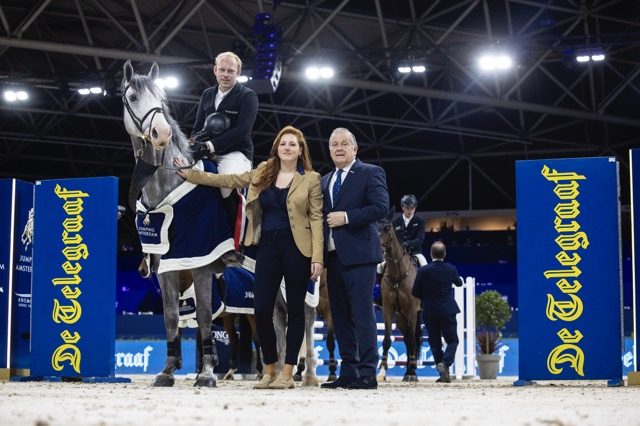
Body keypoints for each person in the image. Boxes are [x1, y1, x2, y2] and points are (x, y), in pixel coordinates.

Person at [174, 125, 323, 390]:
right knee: (262, 309)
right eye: (283, 143)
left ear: (301, 151)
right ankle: (268, 370)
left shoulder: (310, 178)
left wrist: (318, 258)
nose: (287, 147)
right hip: (267, 247)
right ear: (277, 147)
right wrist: (191, 175)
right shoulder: (264, 171)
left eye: (293, 144)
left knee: (296, 312)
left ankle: (287, 374)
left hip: (298, 249)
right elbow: (229, 181)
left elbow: (316, 219)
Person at [320, 127, 389, 390]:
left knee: (362, 316)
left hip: (360, 257)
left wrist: (347, 217)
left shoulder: (371, 172)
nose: (339, 148)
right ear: (329, 150)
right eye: (334, 144)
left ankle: (367, 373)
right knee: (340, 317)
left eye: (344, 144)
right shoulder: (325, 180)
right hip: (333, 258)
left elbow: (381, 208)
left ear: (354, 149)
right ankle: (348, 371)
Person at [190, 51, 259, 241]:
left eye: (230, 71)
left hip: (236, 153)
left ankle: (232, 238)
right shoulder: (207, 94)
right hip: (207, 152)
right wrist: (193, 144)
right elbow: (197, 127)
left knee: (225, 185)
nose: (226, 74)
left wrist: (210, 146)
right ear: (215, 70)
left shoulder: (248, 96)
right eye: (222, 70)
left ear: (238, 73)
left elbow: (242, 130)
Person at [411, 241, 463, 383]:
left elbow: (415, 291)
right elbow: (459, 283)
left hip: (430, 311)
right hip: (447, 310)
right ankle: (445, 364)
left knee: (435, 343)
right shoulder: (450, 269)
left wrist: (426, 297)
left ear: (431, 254)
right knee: (453, 340)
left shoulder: (423, 270)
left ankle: (442, 373)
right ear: (444, 254)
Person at [393, 194, 427, 267]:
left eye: (412, 208)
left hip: (415, 252)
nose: (410, 211)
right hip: (398, 252)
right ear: (402, 207)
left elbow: (420, 239)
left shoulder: (419, 222)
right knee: (380, 267)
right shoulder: (395, 223)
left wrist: (408, 244)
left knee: (424, 265)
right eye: (408, 208)